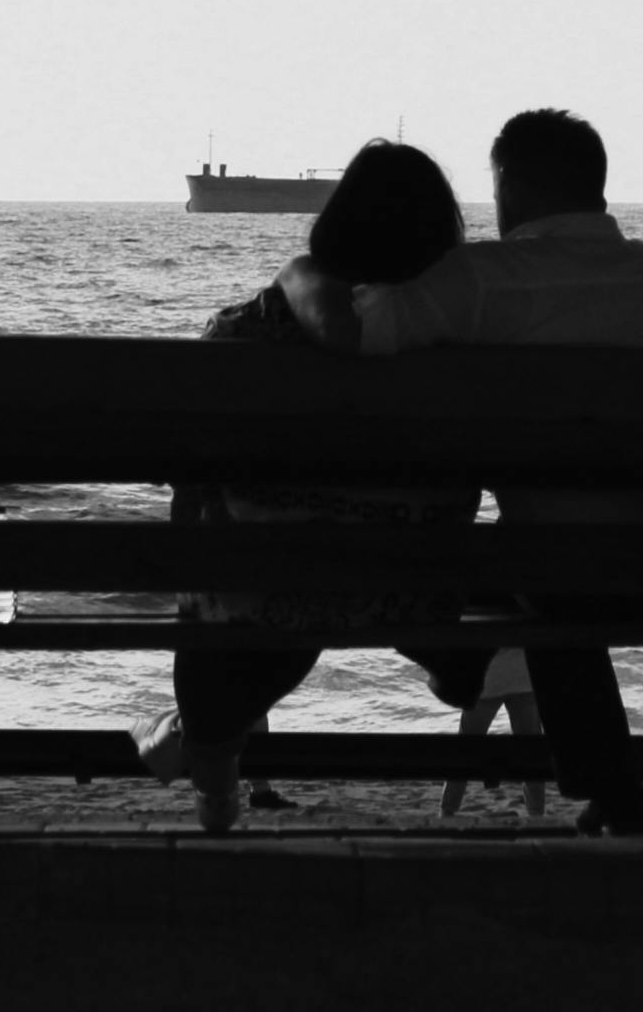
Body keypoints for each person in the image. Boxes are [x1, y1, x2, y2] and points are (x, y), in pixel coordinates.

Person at [276, 107, 643, 837]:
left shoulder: (482, 279)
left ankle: (502, 695)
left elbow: (350, 332)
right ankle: (609, 786)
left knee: (521, 561)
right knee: (560, 561)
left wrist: (302, 273)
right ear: (595, 186)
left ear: (510, 181)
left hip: (552, 569)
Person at [134, 140, 494, 832]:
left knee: (247, 566)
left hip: (265, 590)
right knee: (326, 570)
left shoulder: (241, 331)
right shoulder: (460, 345)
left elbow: (185, 473)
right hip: (408, 589)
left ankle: (208, 763)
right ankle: (450, 668)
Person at [439, 647, 547, 820]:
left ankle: (448, 809)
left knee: (465, 746)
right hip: (522, 677)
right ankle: (536, 812)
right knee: (531, 748)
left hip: (487, 680)